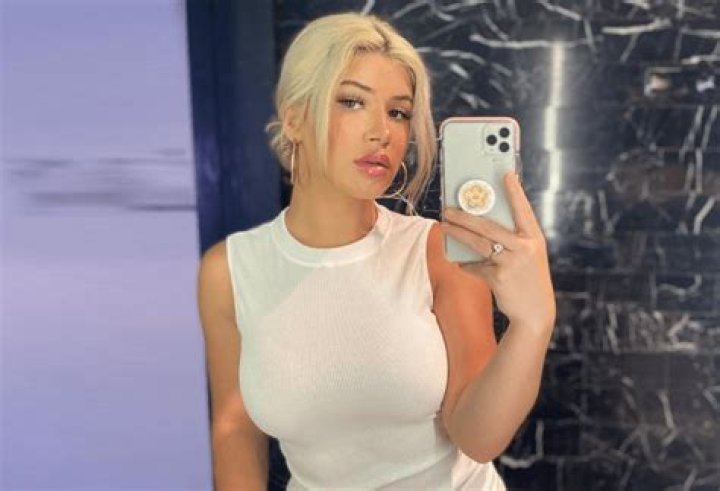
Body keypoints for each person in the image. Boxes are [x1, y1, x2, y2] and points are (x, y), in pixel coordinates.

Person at [197, 11, 556, 491]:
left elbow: (479, 438)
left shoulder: (435, 252)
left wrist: (532, 324)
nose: (382, 132)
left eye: (398, 112)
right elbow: (234, 424)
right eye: (352, 102)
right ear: (294, 118)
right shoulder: (229, 270)